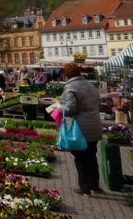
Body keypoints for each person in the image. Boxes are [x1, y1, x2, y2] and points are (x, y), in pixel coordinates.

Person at [59, 62, 103, 196]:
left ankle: (85, 188)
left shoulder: (71, 87)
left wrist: (60, 108)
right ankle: (95, 186)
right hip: (94, 125)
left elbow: (70, 108)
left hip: (79, 128)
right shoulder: (90, 85)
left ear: (66, 74)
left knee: (80, 158)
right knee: (91, 156)